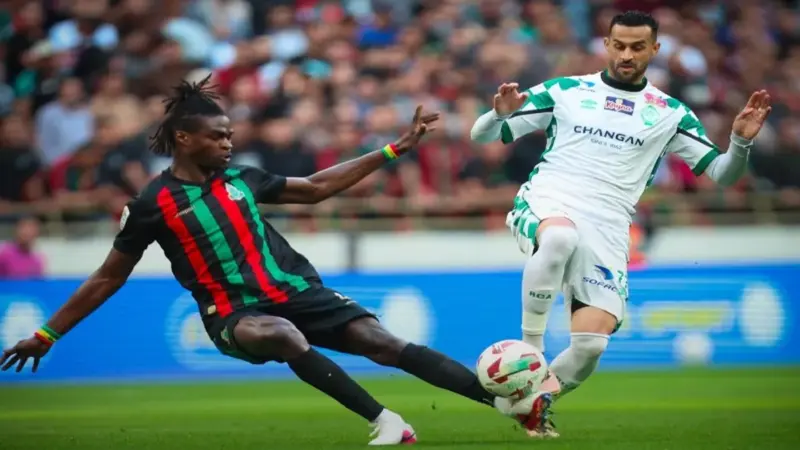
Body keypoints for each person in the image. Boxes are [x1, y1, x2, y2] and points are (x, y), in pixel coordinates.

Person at [1, 76, 547, 445]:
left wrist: (394, 149)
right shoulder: (150, 205)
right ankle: (387, 423)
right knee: (282, 335)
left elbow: (315, 188)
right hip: (233, 313)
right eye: (217, 137)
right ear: (184, 138)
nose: (227, 144)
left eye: (230, 136)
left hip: (296, 289)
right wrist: (47, 334)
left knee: (383, 343)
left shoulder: (243, 179)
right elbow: (107, 277)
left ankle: (505, 405)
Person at [470, 10, 771, 438]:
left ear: (654, 49)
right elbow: (482, 136)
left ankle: (526, 402)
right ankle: (531, 353)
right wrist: (496, 116)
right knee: (559, 237)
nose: (627, 55)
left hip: (609, 226)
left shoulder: (671, 113)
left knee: (590, 346)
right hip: (550, 199)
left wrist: (739, 142)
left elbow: (722, 174)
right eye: (620, 45)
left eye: (637, 47)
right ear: (607, 45)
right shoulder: (566, 91)